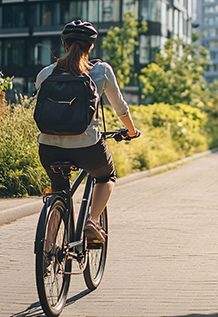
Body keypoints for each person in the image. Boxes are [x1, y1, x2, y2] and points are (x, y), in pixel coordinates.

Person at [35, 20, 140, 244]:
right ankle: (91, 221)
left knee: (58, 191)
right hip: (87, 147)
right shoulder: (101, 70)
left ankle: (49, 246)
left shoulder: (45, 74)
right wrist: (131, 131)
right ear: (90, 47)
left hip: (49, 148)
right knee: (106, 176)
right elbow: (120, 108)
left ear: (64, 45)